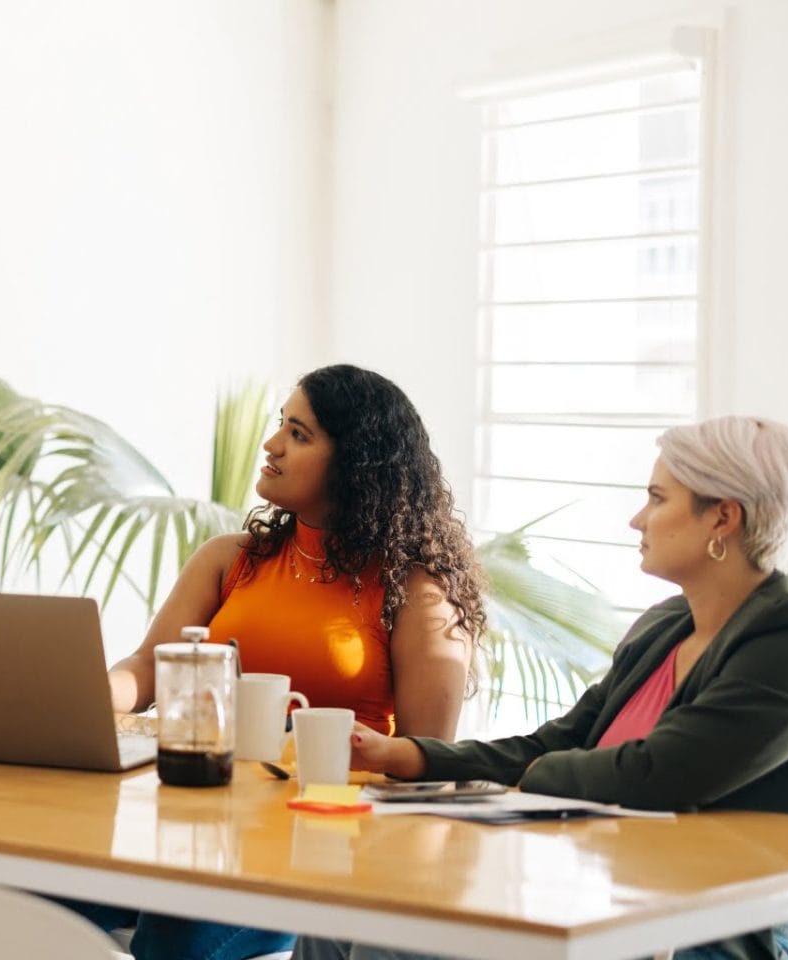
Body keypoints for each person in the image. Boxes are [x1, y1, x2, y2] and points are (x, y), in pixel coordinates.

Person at [321, 415, 788, 960]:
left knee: (396, 941)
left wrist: (532, 780)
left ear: (723, 519)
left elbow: (658, 774)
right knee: (338, 913)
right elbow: (558, 742)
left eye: (658, 499)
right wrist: (411, 756)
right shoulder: (662, 628)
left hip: (704, 934)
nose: (638, 520)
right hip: (603, 899)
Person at [68, 364, 489, 960]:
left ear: (356, 463)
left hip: (316, 854)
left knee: (171, 943)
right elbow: (147, 669)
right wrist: (81, 698)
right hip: (189, 832)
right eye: (280, 426)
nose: (272, 445)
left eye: (299, 433)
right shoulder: (231, 559)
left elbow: (426, 762)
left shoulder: (417, 593)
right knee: (15, 900)